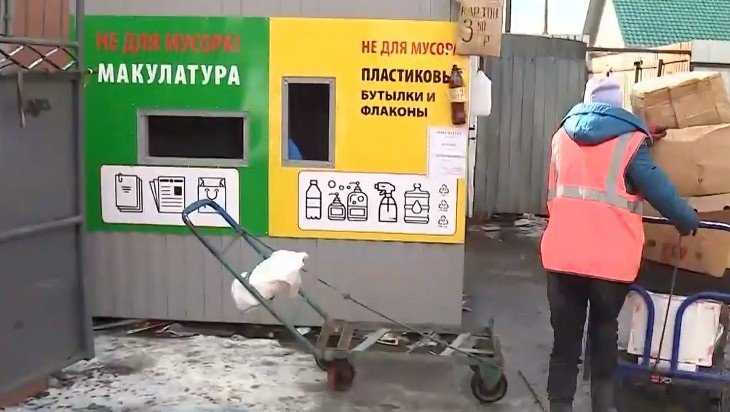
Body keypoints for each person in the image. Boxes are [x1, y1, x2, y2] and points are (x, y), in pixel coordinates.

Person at [540, 77, 699, 412]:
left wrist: (641, 136)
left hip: (562, 257)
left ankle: (559, 406)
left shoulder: (561, 137)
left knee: (564, 344)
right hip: (609, 264)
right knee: (603, 335)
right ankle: (603, 406)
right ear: (619, 105)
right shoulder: (630, 143)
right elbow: (659, 189)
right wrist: (687, 220)